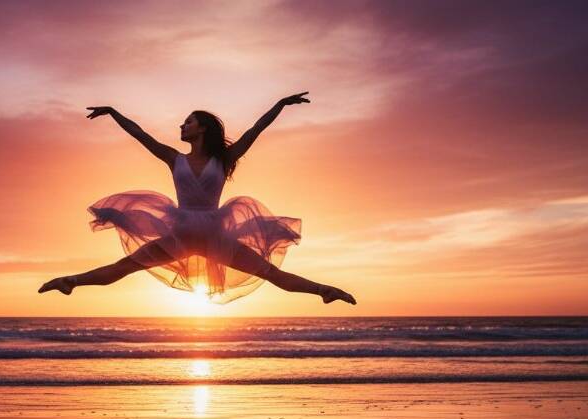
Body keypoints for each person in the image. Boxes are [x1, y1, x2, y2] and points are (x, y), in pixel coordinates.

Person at [38, 92, 355, 305]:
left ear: (202, 129)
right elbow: (140, 134)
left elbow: (256, 129)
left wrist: (281, 104)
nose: (182, 125)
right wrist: (113, 113)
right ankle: (70, 281)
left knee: (272, 274)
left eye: (188, 121)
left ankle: (324, 291)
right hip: (180, 235)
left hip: (217, 235)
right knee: (123, 268)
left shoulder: (225, 158)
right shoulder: (174, 158)